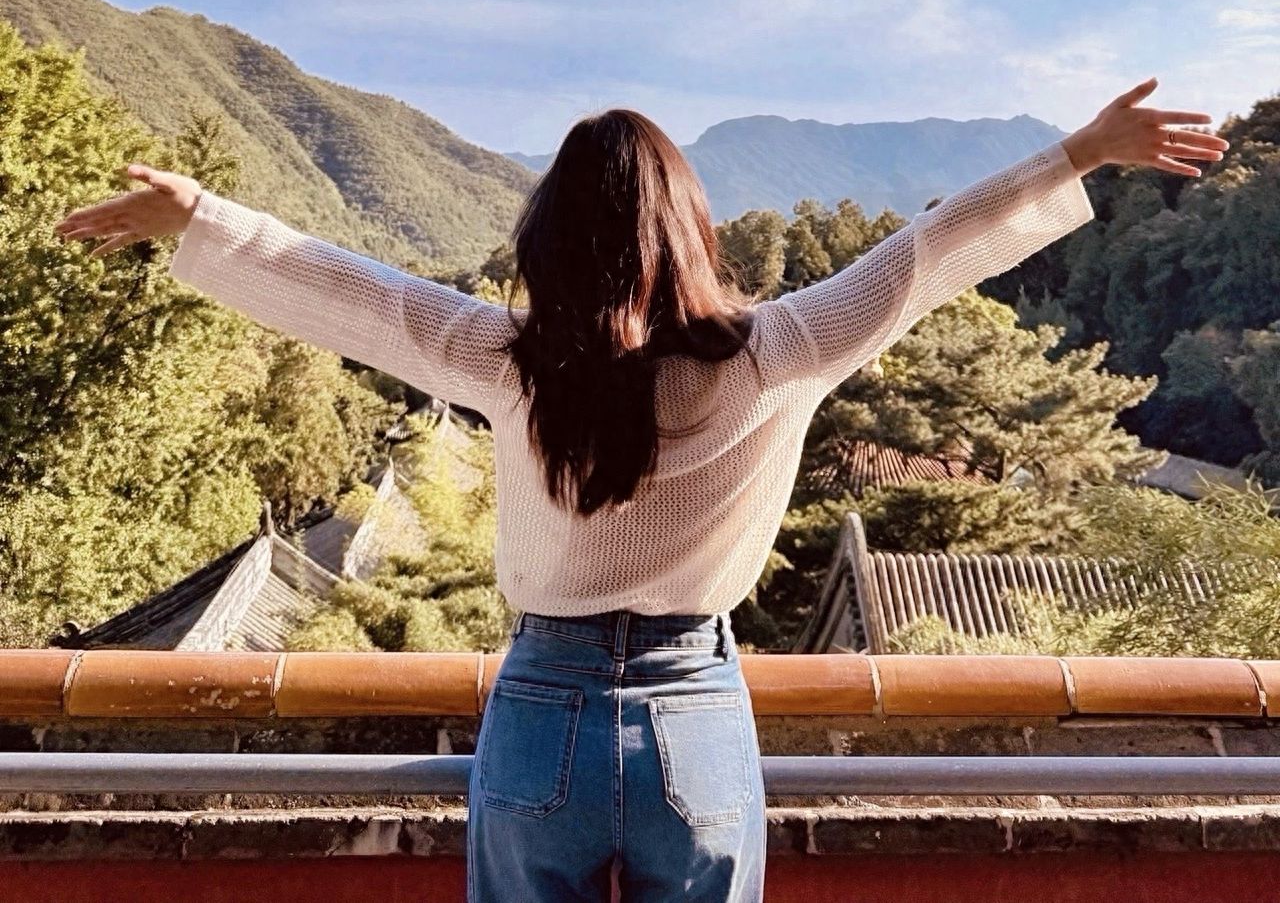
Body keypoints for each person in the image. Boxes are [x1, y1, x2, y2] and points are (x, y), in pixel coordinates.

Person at [54, 77, 1226, 902]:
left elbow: (359, 293)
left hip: (539, 709)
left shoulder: (505, 358)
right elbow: (919, 256)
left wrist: (201, 219)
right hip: (693, 708)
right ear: (692, 230)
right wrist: (1076, 153)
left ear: (547, 241)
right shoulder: (778, 350)